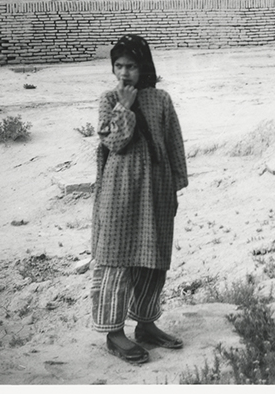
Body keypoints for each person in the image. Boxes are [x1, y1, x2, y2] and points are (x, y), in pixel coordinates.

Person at [90, 34, 188, 364]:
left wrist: (175, 185)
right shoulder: (108, 99)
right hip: (120, 191)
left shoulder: (161, 100)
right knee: (116, 258)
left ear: (143, 66)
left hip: (157, 189)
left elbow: (174, 142)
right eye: (118, 66)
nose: (124, 73)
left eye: (131, 66)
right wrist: (124, 107)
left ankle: (146, 324)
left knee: (153, 257)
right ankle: (114, 333)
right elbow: (114, 143)